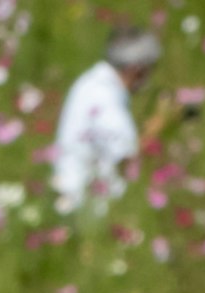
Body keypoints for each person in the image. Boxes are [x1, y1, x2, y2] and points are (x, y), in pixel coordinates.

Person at [53, 26, 166, 219]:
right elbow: (127, 156)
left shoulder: (91, 82)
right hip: (86, 204)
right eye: (147, 70)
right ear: (135, 69)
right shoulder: (104, 95)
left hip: (78, 193)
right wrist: (162, 126)